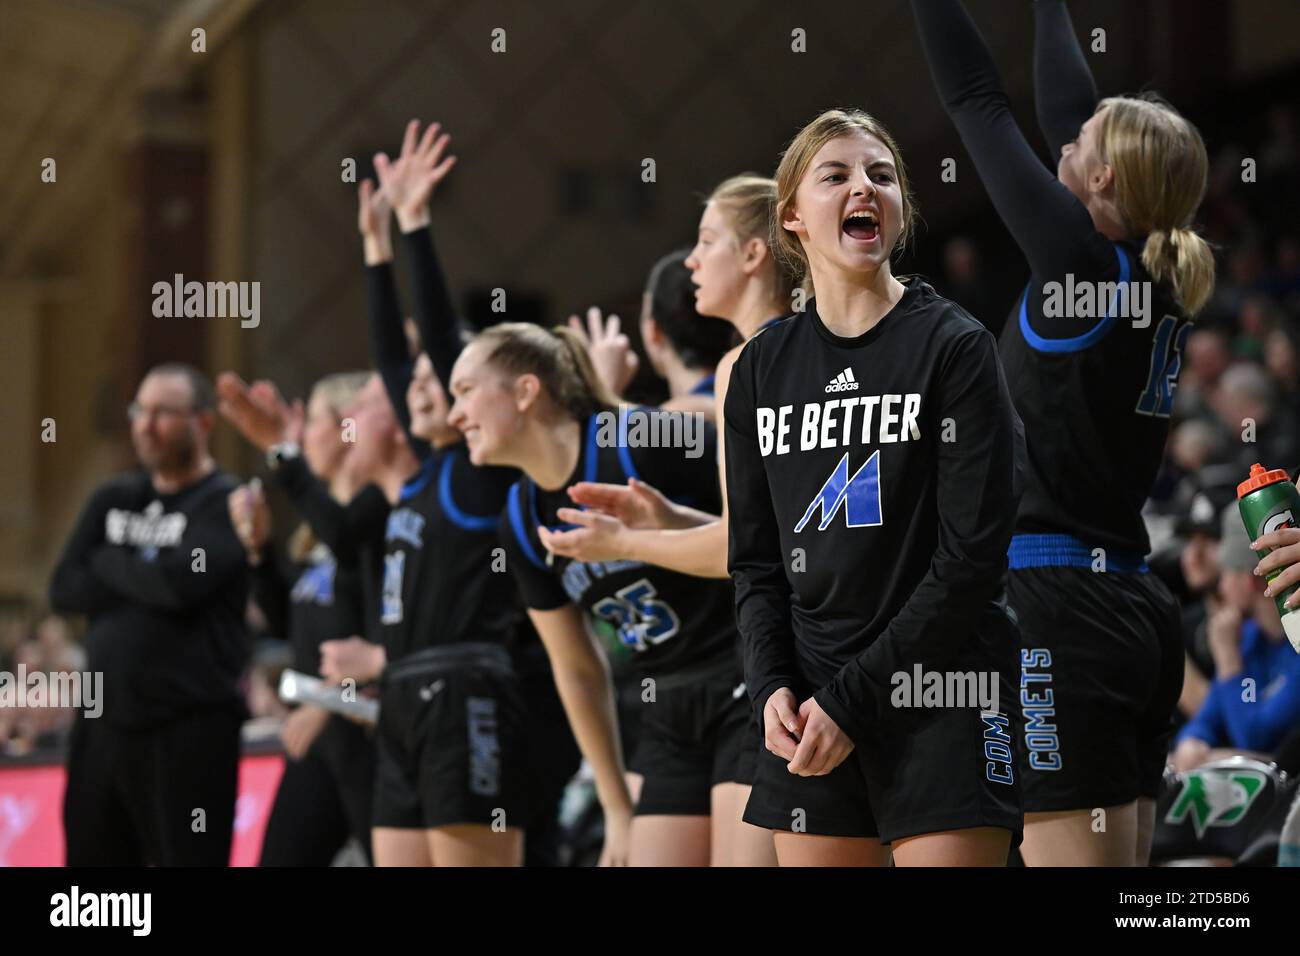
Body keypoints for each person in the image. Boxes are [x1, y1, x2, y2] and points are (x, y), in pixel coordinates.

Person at [912, 0, 1215, 865]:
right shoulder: (1141, 271)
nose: (1066, 143)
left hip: (1060, 615)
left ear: (1106, 183)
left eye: (1083, 147)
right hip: (1133, 610)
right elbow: (1056, 115)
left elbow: (976, 99)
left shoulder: (1084, 264)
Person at [725, 107, 1024, 867]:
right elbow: (756, 564)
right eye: (837, 175)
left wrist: (852, 702)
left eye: (882, 175)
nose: (866, 188)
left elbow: (970, 563)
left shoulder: (954, 346)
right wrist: (770, 690)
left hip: (944, 691)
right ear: (792, 216)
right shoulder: (762, 369)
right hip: (813, 700)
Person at [447, 322, 753, 865]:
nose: (455, 415)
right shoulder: (518, 521)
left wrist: (653, 532)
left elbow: (761, 538)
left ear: (524, 391)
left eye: (465, 392)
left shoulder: (642, 440)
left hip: (745, 679)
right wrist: (615, 807)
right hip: (665, 709)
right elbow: (577, 669)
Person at [49, 363, 249, 866]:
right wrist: (147, 573)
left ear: (203, 422)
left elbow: (180, 585)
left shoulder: (227, 502)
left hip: (189, 728)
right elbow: (64, 587)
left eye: (163, 413)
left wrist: (108, 559)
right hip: (102, 726)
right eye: (141, 411)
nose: (146, 424)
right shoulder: (113, 497)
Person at [226, 370, 379, 866]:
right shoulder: (320, 532)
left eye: (313, 420)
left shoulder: (372, 521)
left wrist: (329, 701)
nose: (304, 434)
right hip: (319, 737)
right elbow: (285, 626)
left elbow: (392, 636)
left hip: (368, 735)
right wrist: (260, 552)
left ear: (348, 430)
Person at [1172, 509, 1300, 770]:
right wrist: (1192, 745)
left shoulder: (1294, 644)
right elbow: (1204, 722)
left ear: (1249, 579)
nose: (1222, 587)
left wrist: (1228, 661)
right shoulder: (1250, 638)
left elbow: (1256, 738)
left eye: (1227, 574)